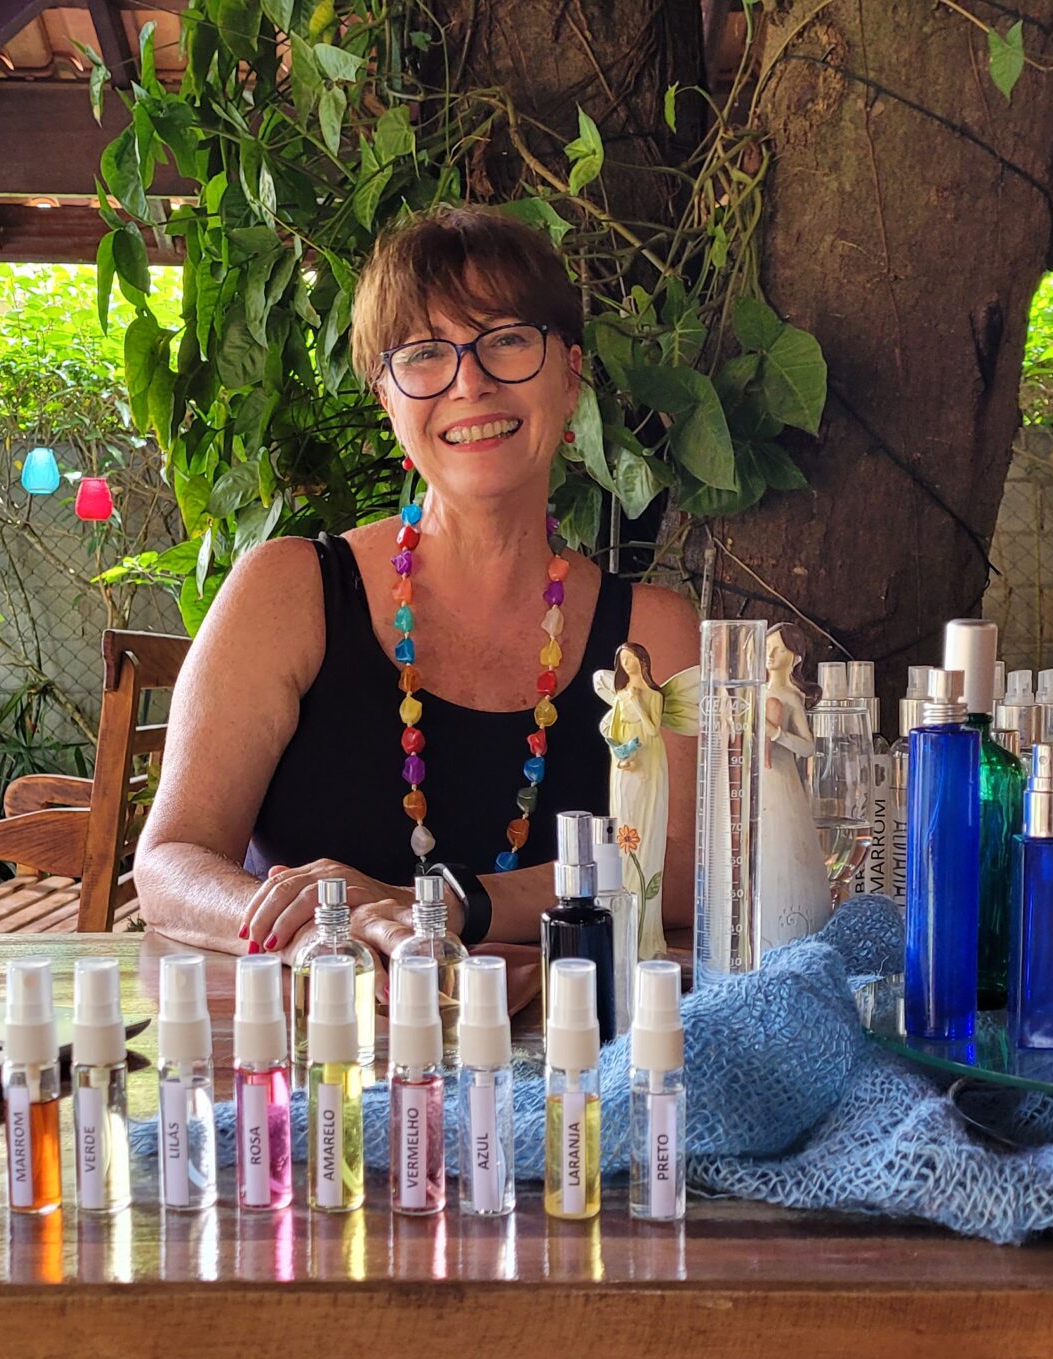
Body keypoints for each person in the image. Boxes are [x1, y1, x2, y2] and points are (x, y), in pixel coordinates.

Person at [135, 205, 700, 997]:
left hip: (575, 1050)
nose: (471, 382)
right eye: (426, 353)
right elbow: (170, 863)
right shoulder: (288, 591)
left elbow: (683, 869)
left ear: (570, 376)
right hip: (315, 1043)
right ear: (386, 399)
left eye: (507, 339)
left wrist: (445, 904)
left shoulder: (652, 634)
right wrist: (321, 930)